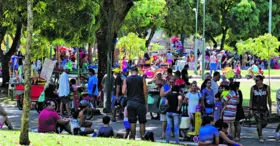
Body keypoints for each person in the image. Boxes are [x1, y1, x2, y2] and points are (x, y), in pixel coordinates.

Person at [122, 66, 147, 140]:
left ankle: (133, 137)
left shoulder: (126, 79)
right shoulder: (142, 79)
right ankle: (143, 137)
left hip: (130, 102)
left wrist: (128, 93)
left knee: (132, 121)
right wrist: (146, 103)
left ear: (130, 71)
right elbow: (145, 92)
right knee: (142, 121)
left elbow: (123, 91)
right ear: (137, 71)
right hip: (140, 102)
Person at [249, 75, 272, 143]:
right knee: (258, 121)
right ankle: (260, 136)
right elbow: (251, 98)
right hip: (255, 108)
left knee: (265, 122)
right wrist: (250, 108)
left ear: (261, 80)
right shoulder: (253, 88)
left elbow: (269, 98)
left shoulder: (266, 87)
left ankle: (259, 129)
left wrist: (270, 107)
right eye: (255, 80)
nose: (256, 82)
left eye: (257, 80)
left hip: (264, 108)